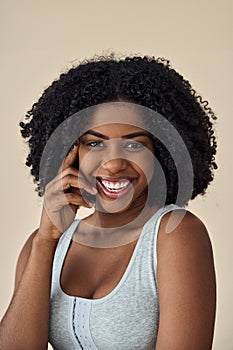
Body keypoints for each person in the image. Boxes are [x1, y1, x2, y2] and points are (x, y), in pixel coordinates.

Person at [0, 54, 217, 350]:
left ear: (161, 151)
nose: (114, 164)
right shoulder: (43, 245)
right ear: (70, 151)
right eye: (95, 143)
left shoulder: (175, 234)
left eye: (133, 144)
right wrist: (45, 242)